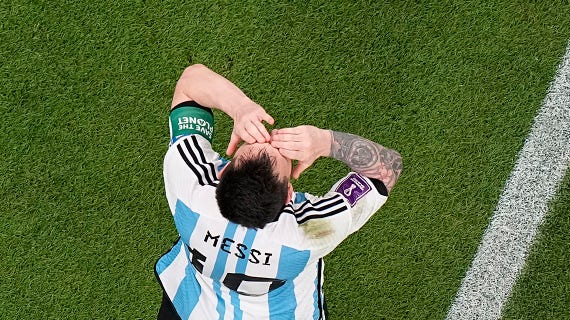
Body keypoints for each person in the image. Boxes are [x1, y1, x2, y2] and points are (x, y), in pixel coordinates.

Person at [155, 64, 402, 320]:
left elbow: (190, 84)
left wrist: (240, 107)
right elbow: (388, 168)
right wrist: (327, 142)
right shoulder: (307, 232)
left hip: (187, 310)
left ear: (221, 172)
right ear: (289, 196)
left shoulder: (190, 190)